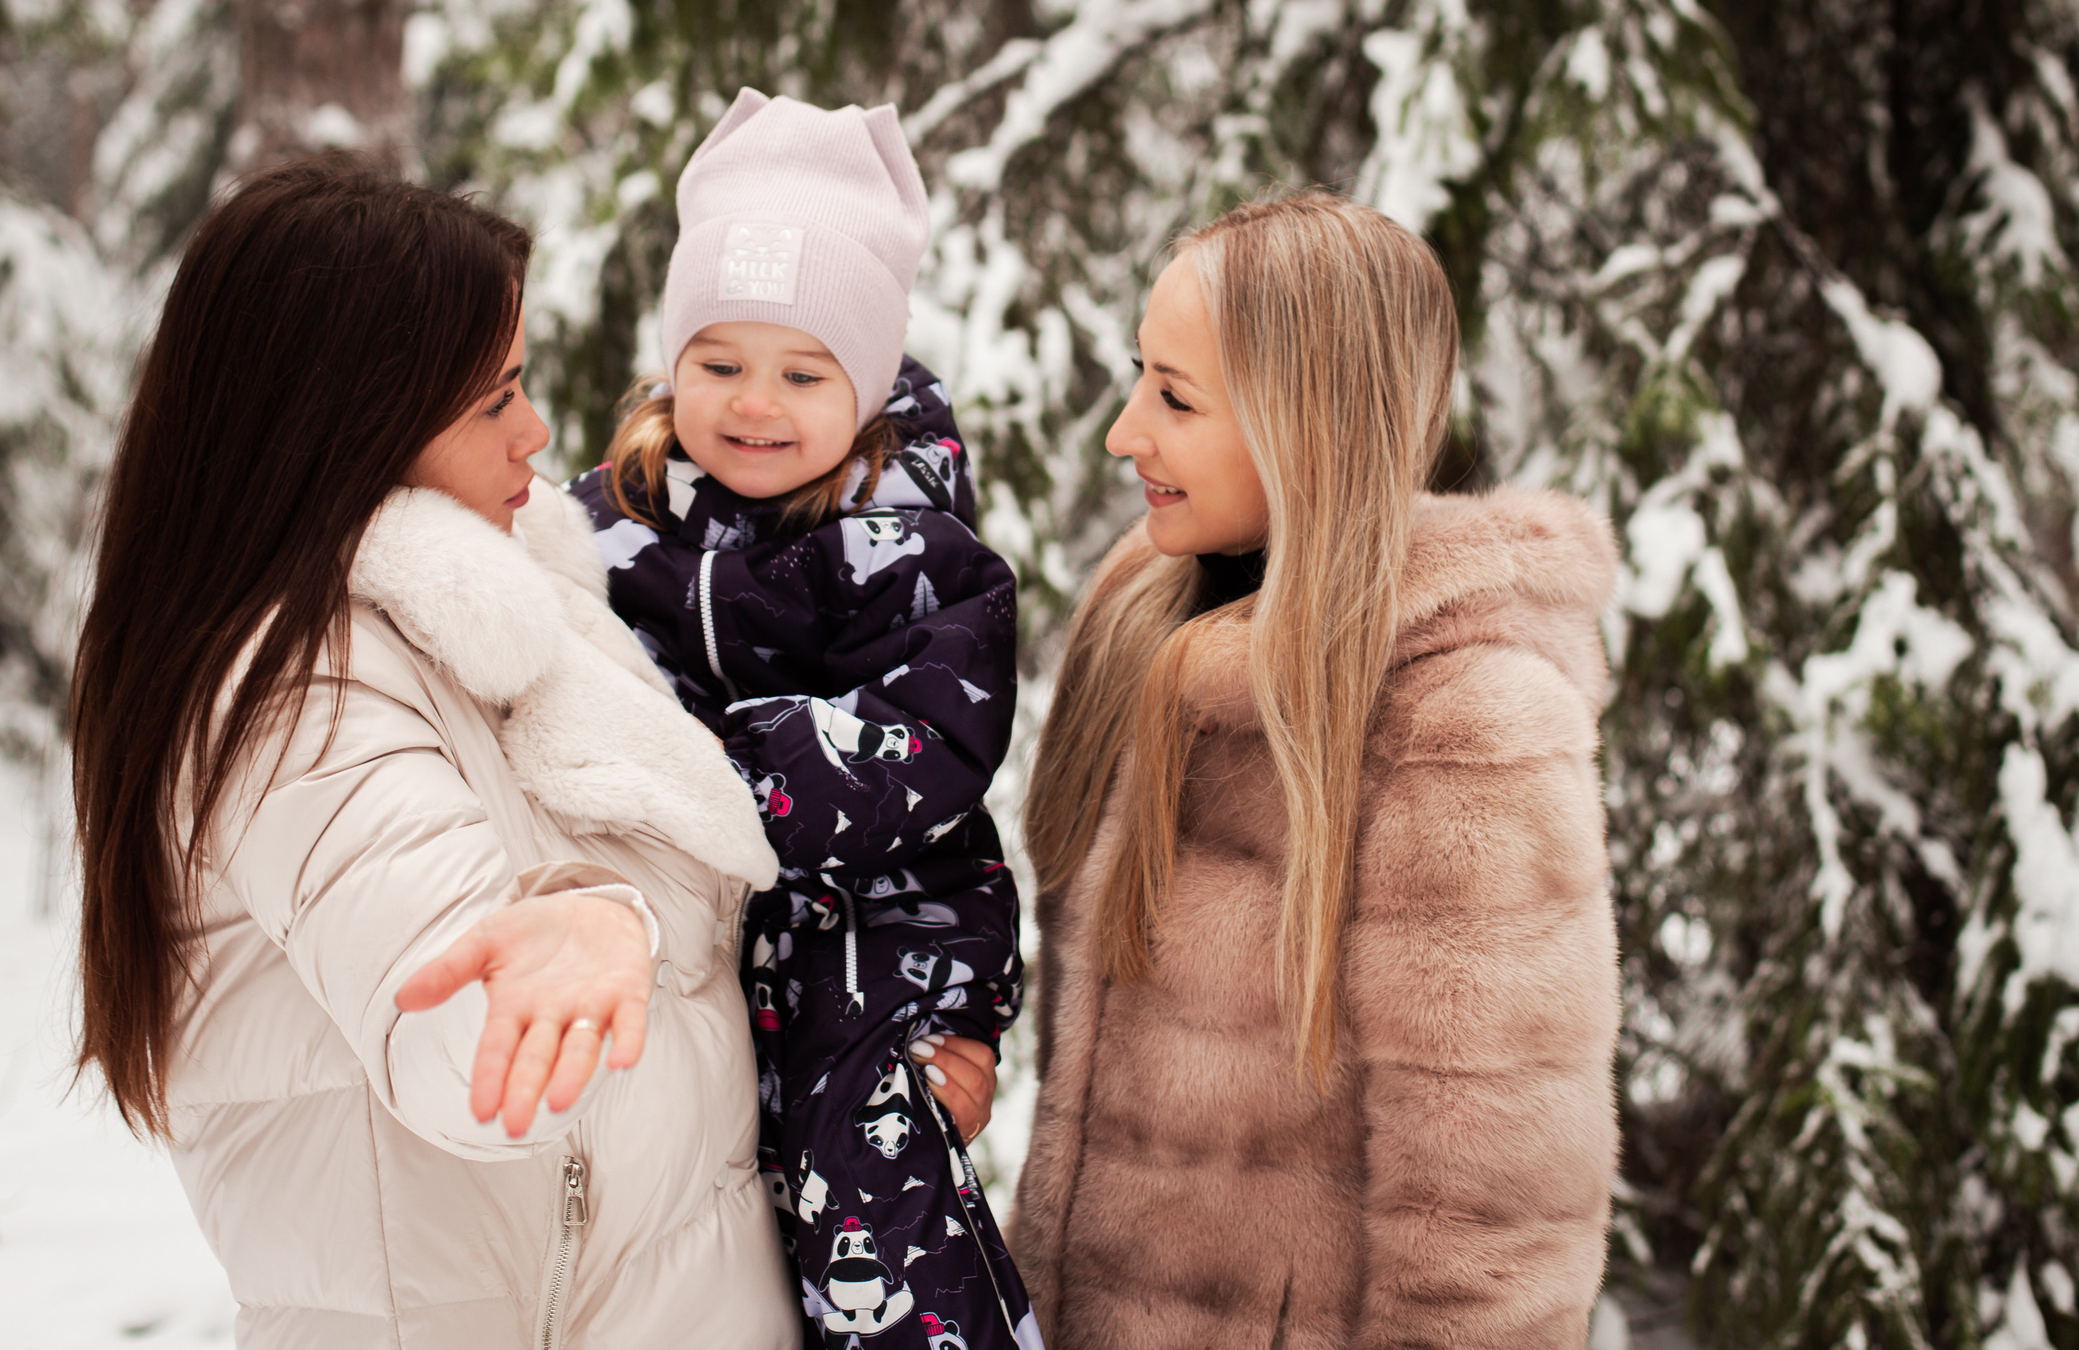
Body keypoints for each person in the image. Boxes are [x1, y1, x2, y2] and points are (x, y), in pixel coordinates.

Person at [70, 160, 798, 1349]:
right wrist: (596, 917)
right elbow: (473, 1044)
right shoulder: (295, 696)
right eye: (493, 399)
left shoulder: (495, 622)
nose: (539, 431)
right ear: (348, 426)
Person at [1006, 191, 1621, 1349]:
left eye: (1175, 398)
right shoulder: (1147, 616)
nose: (1123, 433)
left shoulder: (1465, 725)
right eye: (1139, 376)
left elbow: (1494, 1242)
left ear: (1309, 427)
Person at [569, 90, 1038, 1349]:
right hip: (686, 969)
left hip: (872, 968)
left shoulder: (917, 551)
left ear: (870, 378)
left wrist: (699, 765)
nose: (753, 405)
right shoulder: (612, 526)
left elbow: (925, 749)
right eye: (718, 364)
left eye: (801, 372)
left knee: (884, 1259)